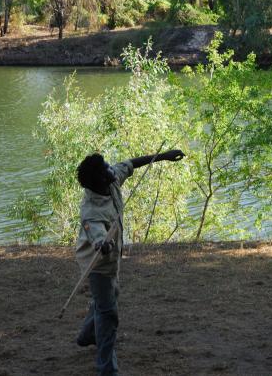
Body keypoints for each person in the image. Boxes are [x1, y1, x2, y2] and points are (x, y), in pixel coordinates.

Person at [75, 149, 185, 376]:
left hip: (112, 260)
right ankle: (107, 369)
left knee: (104, 300)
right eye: (106, 169)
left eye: (107, 165)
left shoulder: (110, 179)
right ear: (98, 181)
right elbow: (96, 235)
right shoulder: (91, 211)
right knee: (108, 315)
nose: (111, 168)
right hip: (98, 265)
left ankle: (87, 335)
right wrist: (102, 245)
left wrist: (163, 156)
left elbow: (131, 163)